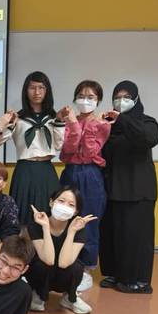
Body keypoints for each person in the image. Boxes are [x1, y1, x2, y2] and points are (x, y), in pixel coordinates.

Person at [99, 81, 158, 294]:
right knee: (113, 234)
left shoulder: (146, 122)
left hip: (138, 190)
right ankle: (116, 274)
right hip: (113, 188)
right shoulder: (108, 123)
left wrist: (122, 119)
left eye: (126, 97)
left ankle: (139, 280)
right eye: (117, 96)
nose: (120, 101)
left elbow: (150, 138)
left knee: (137, 237)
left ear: (135, 99)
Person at [59, 80, 111, 289]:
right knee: (64, 216)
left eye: (91, 97)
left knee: (88, 221)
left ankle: (87, 269)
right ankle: (66, 263)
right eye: (81, 96)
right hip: (70, 172)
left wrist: (89, 126)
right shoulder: (69, 120)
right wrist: (72, 123)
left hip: (90, 174)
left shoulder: (103, 123)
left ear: (98, 100)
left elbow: (90, 151)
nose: (85, 101)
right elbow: (66, 152)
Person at [26, 186, 96, 314]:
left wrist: (71, 232)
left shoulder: (79, 228)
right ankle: (38, 293)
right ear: (51, 202)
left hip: (63, 273)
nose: (64, 206)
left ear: (75, 211)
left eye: (71, 205)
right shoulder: (37, 223)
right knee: (41, 264)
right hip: (42, 271)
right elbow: (48, 259)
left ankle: (69, 298)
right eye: (61, 201)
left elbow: (64, 263)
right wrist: (46, 227)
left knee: (76, 267)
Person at [8, 71, 65, 225]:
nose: (37, 92)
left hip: (46, 170)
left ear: (47, 91)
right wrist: (8, 123)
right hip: (24, 170)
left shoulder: (54, 117)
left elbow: (59, 145)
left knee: (49, 213)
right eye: (32, 88)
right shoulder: (18, 118)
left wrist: (60, 122)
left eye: (41, 88)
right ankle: (23, 249)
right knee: (23, 215)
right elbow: (1, 140)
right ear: (26, 91)